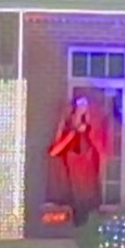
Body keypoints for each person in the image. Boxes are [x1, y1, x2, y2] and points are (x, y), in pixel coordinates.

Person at [47, 94, 105, 226]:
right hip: (72, 184)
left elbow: (99, 151)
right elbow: (54, 151)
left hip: (88, 185)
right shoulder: (68, 133)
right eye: (79, 112)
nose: (81, 116)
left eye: (84, 111)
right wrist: (72, 134)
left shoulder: (90, 134)